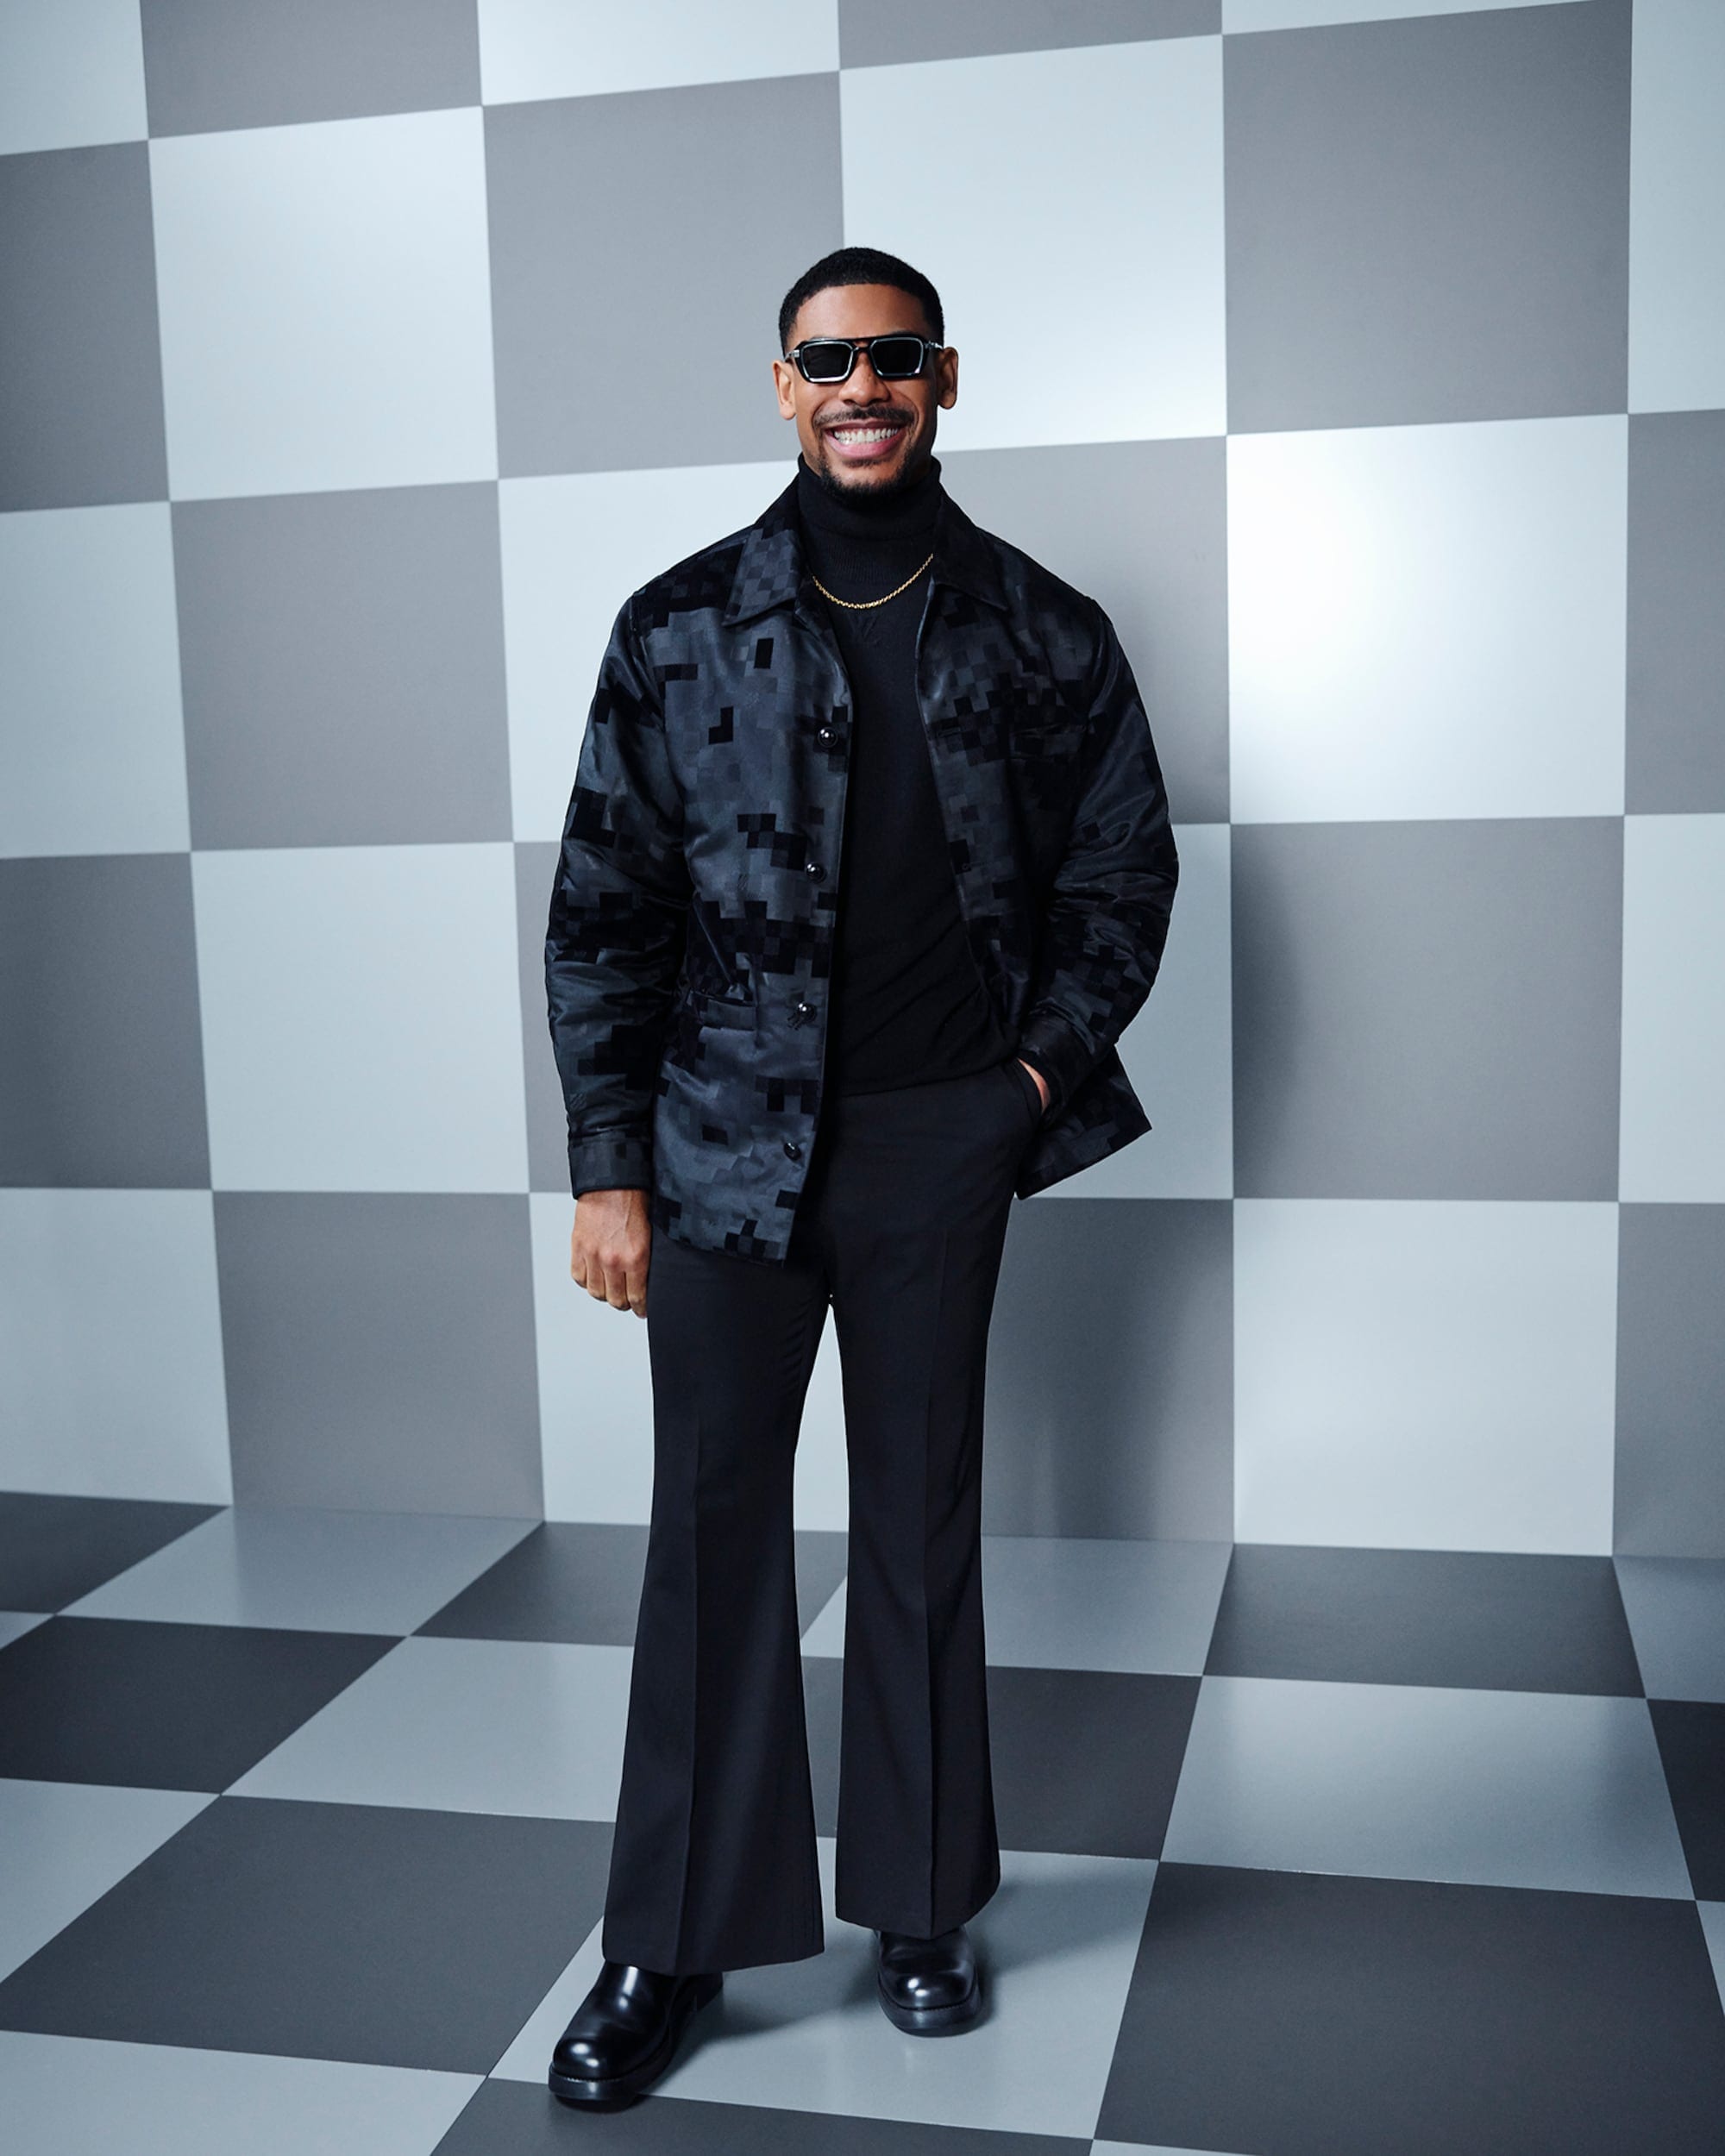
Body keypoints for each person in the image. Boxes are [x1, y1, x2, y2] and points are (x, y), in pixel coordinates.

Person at [543, 246, 1179, 2109]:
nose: (861, 388)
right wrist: (608, 1168)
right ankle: (670, 1938)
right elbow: (603, 910)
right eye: (827, 361)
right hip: (716, 1145)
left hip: (935, 1145)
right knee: (711, 1532)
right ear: (783, 387)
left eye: (893, 358)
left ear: (944, 378)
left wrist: (1028, 1086)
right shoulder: (677, 625)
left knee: (918, 1528)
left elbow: (1122, 874)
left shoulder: (1044, 627)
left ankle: (918, 1902)